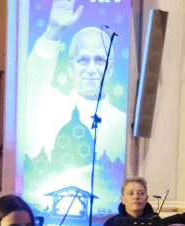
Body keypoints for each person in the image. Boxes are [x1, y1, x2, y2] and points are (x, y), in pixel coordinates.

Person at [23, 1, 126, 164]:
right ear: (70, 67)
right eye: (83, 60)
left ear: (111, 68)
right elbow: (34, 81)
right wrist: (53, 31)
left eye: (99, 60)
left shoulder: (122, 123)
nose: (91, 69)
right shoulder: (49, 107)